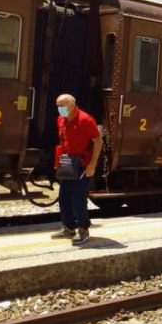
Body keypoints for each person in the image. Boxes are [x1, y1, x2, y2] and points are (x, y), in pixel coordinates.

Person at [52, 94, 102, 245]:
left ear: (72, 105)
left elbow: (98, 141)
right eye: (58, 106)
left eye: (63, 106)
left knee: (78, 197)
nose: (60, 109)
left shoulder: (86, 120)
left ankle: (83, 228)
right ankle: (68, 226)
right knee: (64, 196)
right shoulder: (61, 120)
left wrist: (92, 164)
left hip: (82, 164)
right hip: (67, 163)